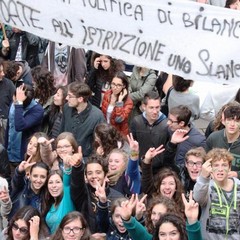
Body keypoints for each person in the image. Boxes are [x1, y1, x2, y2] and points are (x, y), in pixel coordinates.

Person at [193, 148, 240, 240]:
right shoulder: (206, 186)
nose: (220, 169)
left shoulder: (238, 185)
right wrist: (203, 177)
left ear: (229, 168)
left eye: (224, 165)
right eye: (216, 165)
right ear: (210, 168)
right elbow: (197, 198)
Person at [70, 152, 123, 233]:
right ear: (86, 177)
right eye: (90, 173)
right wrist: (77, 167)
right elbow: (76, 184)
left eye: (98, 172)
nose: (94, 176)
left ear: (105, 174)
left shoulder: (117, 197)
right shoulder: (82, 193)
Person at [60, 82, 105, 159]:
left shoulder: (97, 116)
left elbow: (100, 143)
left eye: (70, 96)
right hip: (65, 155)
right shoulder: (67, 107)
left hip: (85, 159)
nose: (67, 98)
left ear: (80, 99)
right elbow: (61, 131)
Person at [130, 91, 169, 174]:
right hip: (140, 167)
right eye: (151, 108)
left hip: (160, 170)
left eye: (157, 107)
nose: (155, 111)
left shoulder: (167, 124)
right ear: (144, 107)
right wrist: (134, 163)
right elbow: (133, 146)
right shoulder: (136, 122)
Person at [6, 84, 44, 167]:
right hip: (10, 151)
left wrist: (19, 104)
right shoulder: (13, 103)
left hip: (23, 156)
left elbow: (20, 126)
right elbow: (10, 126)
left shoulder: (37, 110)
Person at [167, 105, 206, 169]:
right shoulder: (170, 130)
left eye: (171, 121)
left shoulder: (199, 140)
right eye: (168, 119)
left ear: (182, 123)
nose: (168, 123)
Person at [206, 105, 240, 178]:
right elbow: (205, 162)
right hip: (215, 182)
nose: (232, 124)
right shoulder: (213, 138)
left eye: (237, 121)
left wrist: (237, 174)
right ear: (223, 121)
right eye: (229, 120)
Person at [45, 163, 76, 234]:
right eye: (50, 182)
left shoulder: (67, 200)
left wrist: (67, 167)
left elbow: (67, 182)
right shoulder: (51, 205)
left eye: (58, 182)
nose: (54, 186)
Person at [101, 71, 133, 136]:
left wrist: (120, 102)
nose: (115, 87)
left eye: (118, 85)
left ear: (124, 86)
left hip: (118, 133)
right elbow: (103, 114)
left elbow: (118, 120)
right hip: (105, 130)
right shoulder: (107, 94)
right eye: (113, 84)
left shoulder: (128, 102)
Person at [31, 66, 56, 133]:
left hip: (43, 132)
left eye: (34, 81)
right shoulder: (34, 94)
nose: (32, 83)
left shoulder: (53, 99)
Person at [0, 58, 15, 144]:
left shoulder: (8, 84)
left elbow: (15, 102)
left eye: (3, 71)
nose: (3, 74)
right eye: (0, 72)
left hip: (5, 122)